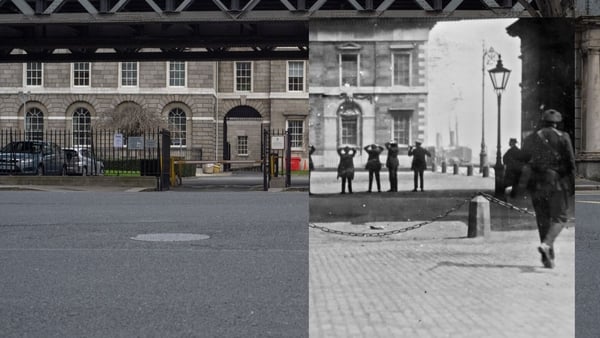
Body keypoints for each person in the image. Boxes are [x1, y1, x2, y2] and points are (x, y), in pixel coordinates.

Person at [520, 109, 575, 269]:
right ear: (557, 123)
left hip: (537, 184)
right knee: (560, 218)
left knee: (542, 220)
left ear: (543, 122)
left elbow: (523, 161)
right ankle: (546, 245)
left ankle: (548, 259)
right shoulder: (563, 137)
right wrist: (571, 185)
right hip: (557, 183)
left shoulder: (531, 138)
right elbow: (571, 163)